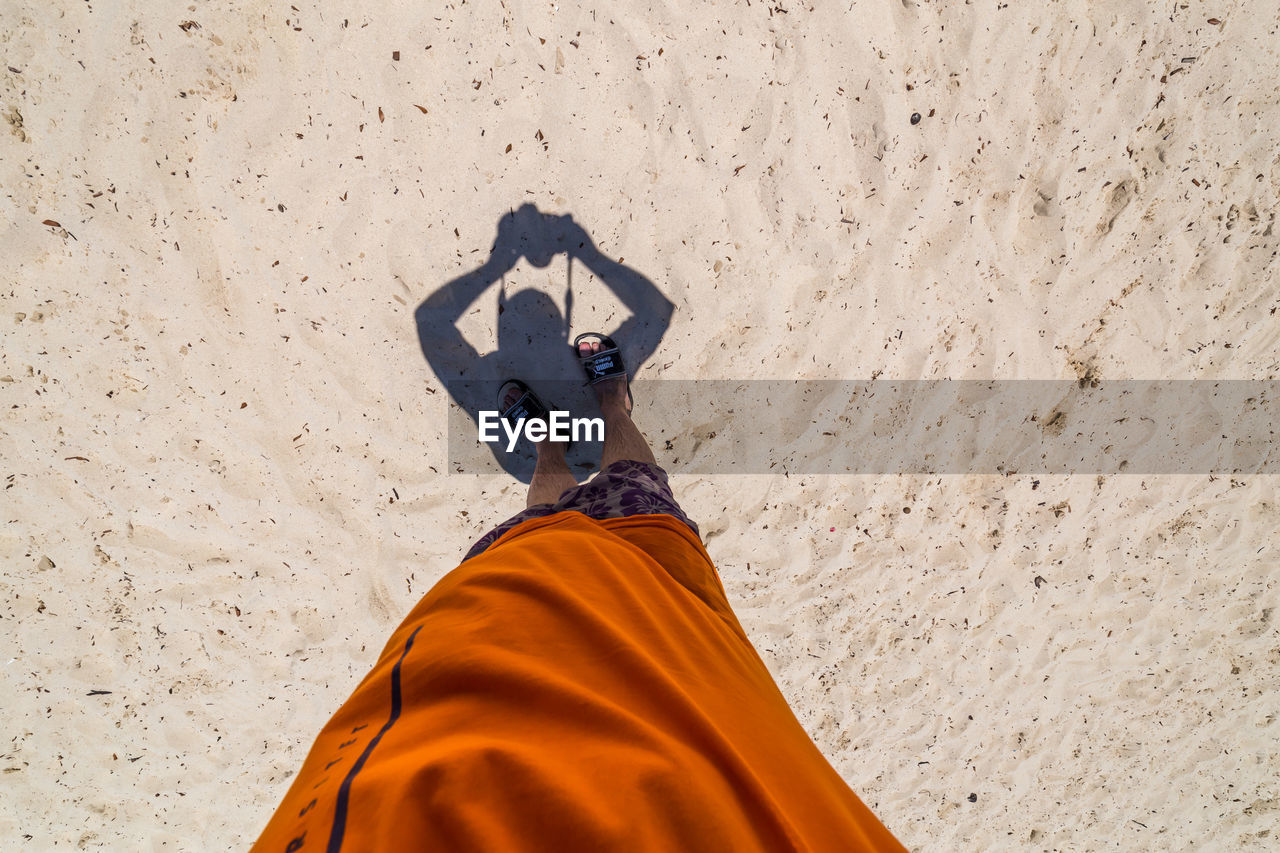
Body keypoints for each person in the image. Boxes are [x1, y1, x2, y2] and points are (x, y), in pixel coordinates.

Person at [249, 336, 906, 852]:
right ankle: (612, 404)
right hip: (660, 598)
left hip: (514, 597)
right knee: (631, 475)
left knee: (546, 504)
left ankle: (546, 440)